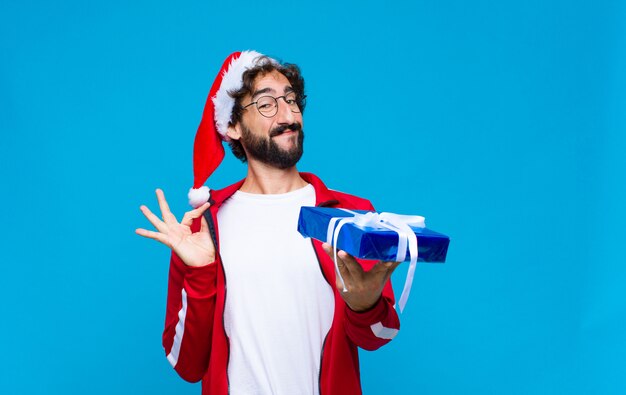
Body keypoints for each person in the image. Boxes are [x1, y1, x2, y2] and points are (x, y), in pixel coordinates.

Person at [136, 50, 401, 395]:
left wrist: (365, 305)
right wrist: (201, 273)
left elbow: (380, 334)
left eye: (292, 100)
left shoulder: (349, 214)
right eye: (266, 104)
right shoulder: (205, 226)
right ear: (231, 126)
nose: (288, 114)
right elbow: (186, 364)